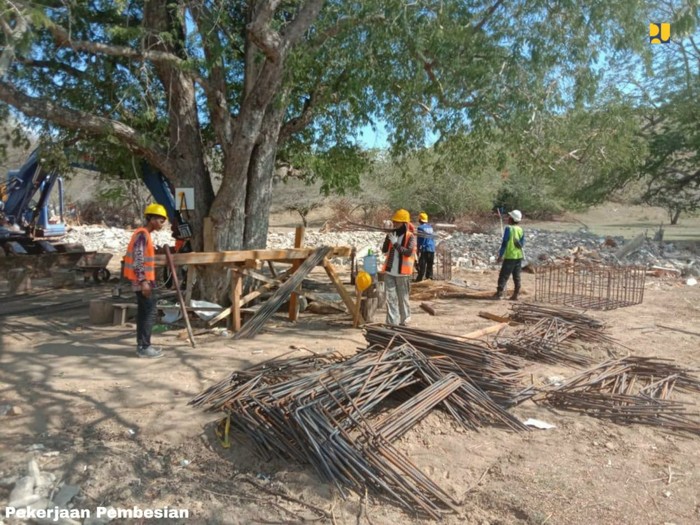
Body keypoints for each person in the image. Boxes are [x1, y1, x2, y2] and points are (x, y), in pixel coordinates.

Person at [123, 203, 168, 358]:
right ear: (152, 219)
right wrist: (143, 282)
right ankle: (144, 346)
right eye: (161, 220)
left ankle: (143, 346)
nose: (162, 224)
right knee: (149, 313)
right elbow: (139, 259)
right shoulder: (142, 234)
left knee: (144, 313)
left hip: (143, 281)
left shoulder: (144, 234)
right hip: (142, 282)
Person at [381, 208, 417, 325]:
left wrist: (395, 243)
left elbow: (407, 252)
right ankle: (392, 323)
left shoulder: (410, 237)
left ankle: (405, 321)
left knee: (403, 299)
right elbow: (384, 250)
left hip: (403, 274)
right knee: (390, 299)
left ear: (404, 223)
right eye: (394, 221)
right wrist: (388, 238)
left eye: (397, 222)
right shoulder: (393, 235)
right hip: (390, 272)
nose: (395, 224)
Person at [494, 209, 525, 300]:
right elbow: (522, 243)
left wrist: (500, 255)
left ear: (512, 219)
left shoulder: (508, 229)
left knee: (503, 275)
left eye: (509, 217)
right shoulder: (520, 229)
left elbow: (504, 243)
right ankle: (516, 294)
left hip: (510, 256)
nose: (508, 218)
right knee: (517, 276)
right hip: (518, 256)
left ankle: (499, 293)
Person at [416, 212, 435, 281]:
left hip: (424, 248)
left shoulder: (420, 228)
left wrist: (418, 249)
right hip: (432, 248)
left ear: (420, 220)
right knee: (430, 264)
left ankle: (420, 278)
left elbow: (420, 239)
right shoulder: (430, 228)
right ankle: (429, 277)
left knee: (422, 264)